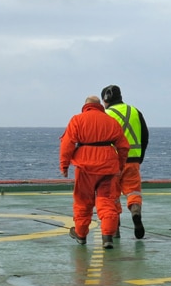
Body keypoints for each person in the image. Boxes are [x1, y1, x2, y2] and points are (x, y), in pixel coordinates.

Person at [59, 95, 129, 249]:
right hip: (108, 167)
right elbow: (124, 146)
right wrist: (121, 165)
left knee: (83, 202)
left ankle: (81, 235)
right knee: (107, 201)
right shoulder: (111, 121)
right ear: (100, 106)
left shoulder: (77, 120)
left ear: (85, 105)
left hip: (85, 168)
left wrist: (64, 166)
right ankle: (107, 237)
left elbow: (67, 144)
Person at [101, 85, 149, 239]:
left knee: (112, 196)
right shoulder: (135, 111)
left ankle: (115, 231)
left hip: (113, 163)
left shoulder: (106, 114)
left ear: (106, 99)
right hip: (133, 159)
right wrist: (139, 157)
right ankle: (136, 213)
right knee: (133, 191)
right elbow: (145, 135)